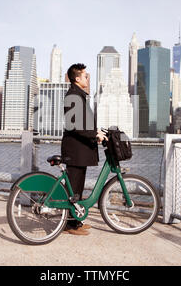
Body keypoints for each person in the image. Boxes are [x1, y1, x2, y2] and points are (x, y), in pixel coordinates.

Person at [61, 63, 107, 236]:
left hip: (79, 150)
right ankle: (68, 225)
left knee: (77, 188)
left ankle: (76, 221)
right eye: (85, 76)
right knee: (73, 187)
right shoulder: (73, 95)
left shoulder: (79, 95)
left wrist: (97, 131)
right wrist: (94, 135)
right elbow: (75, 126)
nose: (87, 78)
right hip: (75, 150)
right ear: (77, 78)